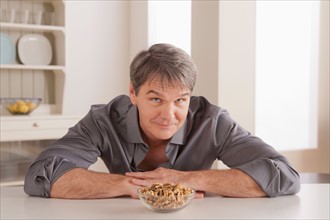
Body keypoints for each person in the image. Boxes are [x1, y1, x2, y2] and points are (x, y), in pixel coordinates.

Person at [24, 43, 300, 199]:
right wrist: (129, 185)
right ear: (133, 93)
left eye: (180, 100)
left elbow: (284, 176)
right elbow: (41, 175)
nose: (169, 115)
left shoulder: (213, 122)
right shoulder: (102, 121)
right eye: (156, 99)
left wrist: (185, 180)